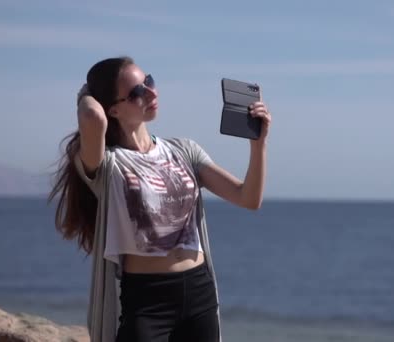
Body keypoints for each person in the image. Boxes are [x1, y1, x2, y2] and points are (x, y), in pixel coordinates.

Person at [48, 56, 271, 342]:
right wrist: (86, 94)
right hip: (147, 298)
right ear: (113, 109)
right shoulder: (107, 165)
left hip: (199, 291)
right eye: (138, 92)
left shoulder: (184, 150)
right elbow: (92, 116)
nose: (151, 93)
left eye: (149, 81)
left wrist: (258, 144)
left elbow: (248, 198)